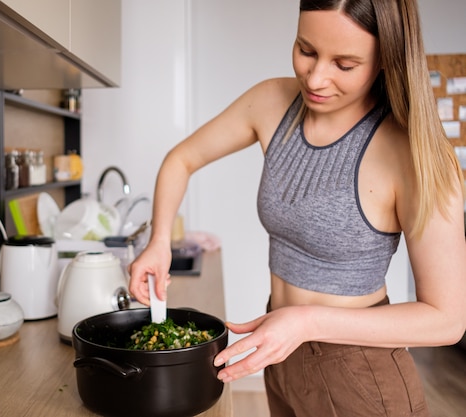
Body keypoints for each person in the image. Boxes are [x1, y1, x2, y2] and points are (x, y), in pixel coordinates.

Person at [128, 1, 466, 416]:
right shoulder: (272, 102)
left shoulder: (413, 155)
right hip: (282, 352)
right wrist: (159, 240)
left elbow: (448, 320)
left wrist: (308, 322)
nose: (316, 77)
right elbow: (181, 159)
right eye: (306, 50)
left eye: (344, 64)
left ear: (386, 60)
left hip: (360, 370)